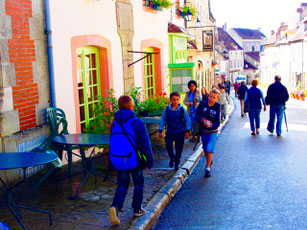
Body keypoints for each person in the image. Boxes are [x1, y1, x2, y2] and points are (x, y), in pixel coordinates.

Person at [109, 95, 153, 225]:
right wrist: (149, 161)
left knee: (122, 184)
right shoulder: (137, 123)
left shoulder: (114, 123)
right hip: (133, 159)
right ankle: (137, 208)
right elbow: (145, 144)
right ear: (132, 107)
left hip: (118, 159)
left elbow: (112, 142)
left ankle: (115, 207)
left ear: (119, 107)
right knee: (138, 182)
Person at [158, 92, 191, 170]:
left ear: (179, 100)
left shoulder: (182, 109)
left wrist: (188, 130)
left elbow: (187, 120)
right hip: (170, 131)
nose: (175, 101)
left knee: (179, 148)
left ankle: (177, 163)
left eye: (177, 99)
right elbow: (163, 119)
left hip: (180, 131)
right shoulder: (167, 110)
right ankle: (172, 157)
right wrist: (160, 130)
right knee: (168, 146)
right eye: (173, 99)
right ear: (170, 100)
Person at [195, 88, 221, 177]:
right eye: (210, 96)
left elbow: (217, 122)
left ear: (217, 99)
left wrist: (211, 125)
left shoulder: (217, 107)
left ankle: (207, 167)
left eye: (214, 97)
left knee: (210, 148)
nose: (211, 99)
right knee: (205, 148)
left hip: (213, 131)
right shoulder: (202, 104)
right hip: (203, 131)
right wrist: (203, 120)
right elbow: (197, 115)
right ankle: (209, 160)